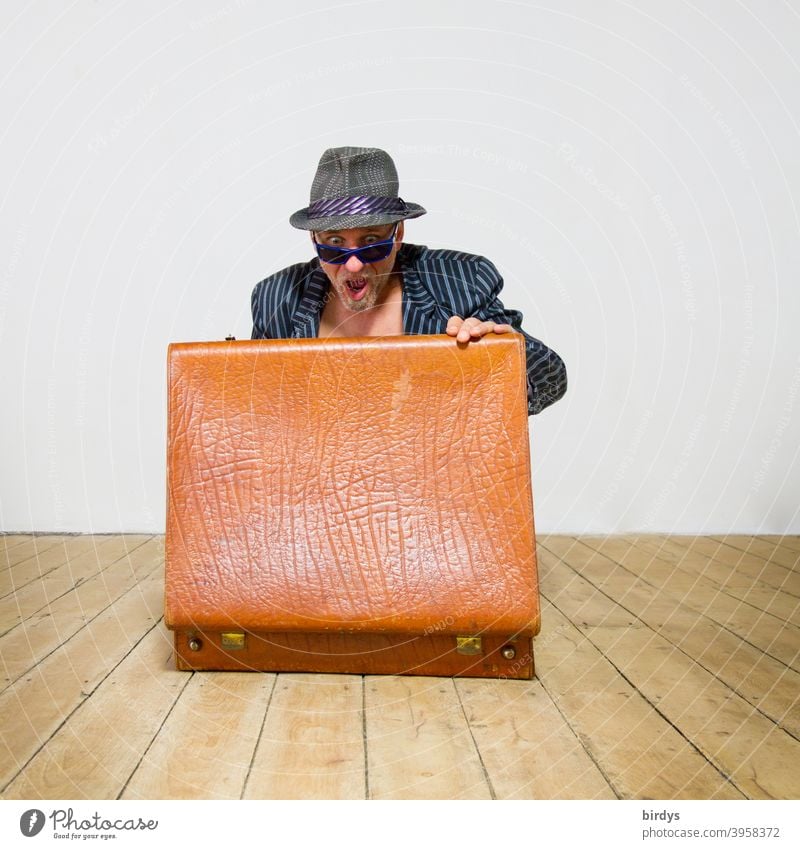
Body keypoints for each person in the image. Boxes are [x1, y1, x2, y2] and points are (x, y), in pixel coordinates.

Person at [251, 147, 567, 415]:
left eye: (372, 241)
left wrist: (507, 353)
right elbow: (256, 414)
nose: (353, 263)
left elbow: (550, 379)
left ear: (398, 234)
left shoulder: (459, 281)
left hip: (432, 479)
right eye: (334, 244)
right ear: (314, 238)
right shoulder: (278, 299)